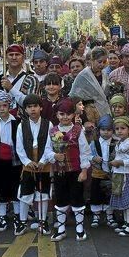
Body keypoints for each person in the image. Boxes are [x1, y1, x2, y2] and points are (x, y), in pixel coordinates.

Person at [47, 97, 91, 242]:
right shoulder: (52, 131)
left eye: (68, 114)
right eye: (61, 114)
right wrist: (54, 156)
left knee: (77, 199)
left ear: (73, 115)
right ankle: (61, 229)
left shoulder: (78, 130)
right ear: (57, 115)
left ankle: (79, 228)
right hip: (60, 172)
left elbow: (85, 152)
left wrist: (84, 170)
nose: (65, 117)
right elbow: (47, 150)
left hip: (75, 171)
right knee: (60, 199)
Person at [15, 93, 53, 236]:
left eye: (35, 106)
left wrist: (43, 160)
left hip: (44, 163)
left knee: (42, 193)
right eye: (29, 107)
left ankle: (42, 220)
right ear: (25, 110)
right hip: (28, 163)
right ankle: (23, 221)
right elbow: (19, 146)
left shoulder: (48, 124)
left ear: (40, 108)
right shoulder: (21, 126)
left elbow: (50, 144)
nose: (32, 109)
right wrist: (27, 161)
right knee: (25, 193)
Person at [0, 90, 22, 233]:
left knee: (15, 187)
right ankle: (2, 216)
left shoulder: (18, 122)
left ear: (9, 106)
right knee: (0, 188)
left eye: (4, 106)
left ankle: (17, 215)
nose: (2, 109)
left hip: (15, 160)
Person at [0, 44, 39, 121]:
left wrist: (11, 89)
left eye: (17, 54)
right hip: (2, 126)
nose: (14, 57)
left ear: (23, 58)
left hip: (24, 126)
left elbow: (31, 104)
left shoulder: (31, 80)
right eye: (11, 55)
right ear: (6, 58)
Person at [109, 116, 129, 236]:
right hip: (120, 174)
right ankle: (127, 224)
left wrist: (120, 163)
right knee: (124, 201)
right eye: (117, 129)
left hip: (128, 175)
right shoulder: (120, 142)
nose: (120, 131)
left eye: (123, 128)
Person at [90, 115, 117, 228]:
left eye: (109, 130)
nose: (106, 132)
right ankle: (96, 215)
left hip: (110, 174)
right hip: (97, 173)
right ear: (99, 130)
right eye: (103, 130)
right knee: (96, 194)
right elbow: (87, 155)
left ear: (112, 131)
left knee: (109, 195)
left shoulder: (116, 143)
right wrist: (93, 158)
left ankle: (109, 216)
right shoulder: (94, 143)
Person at [69, 46, 111, 118]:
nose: (102, 65)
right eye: (99, 62)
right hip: (89, 114)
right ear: (92, 60)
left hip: (106, 111)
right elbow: (74, 96)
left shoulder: (105, 74)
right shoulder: (83, 76)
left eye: (104, 62)